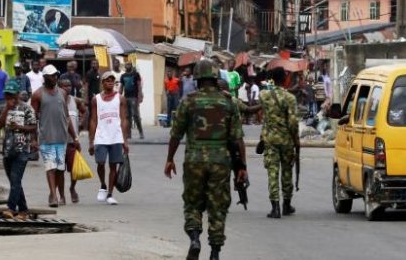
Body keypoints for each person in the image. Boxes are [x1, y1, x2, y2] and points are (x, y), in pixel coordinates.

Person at [164, 60, 247, 260]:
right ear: (215, 77)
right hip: (220, 161)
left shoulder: (188, 101)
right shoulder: (228, 102)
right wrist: (242, 167)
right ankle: (215, 252)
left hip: (194, 160)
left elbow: (176, 134)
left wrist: (169, 159)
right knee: (217, 207)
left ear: (197, 78)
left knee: (192, 204)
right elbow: (237, 139)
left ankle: (194, 238)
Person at [31, 65, 79, 208]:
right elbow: (33, 119)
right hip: (46, 137)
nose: (55, 77)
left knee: (60, 169)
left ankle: (61, 194)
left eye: (56, 75)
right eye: (52, 76)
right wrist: (33, 139)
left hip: (62, 137)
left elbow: (67, 117)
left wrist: (75, 137)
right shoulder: (38, 95)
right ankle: (53, 194)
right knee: (50, 167)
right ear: (45, 77)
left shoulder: (62, 93)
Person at [259, 67, 300, 219]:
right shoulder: (290, 98)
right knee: (287, 172)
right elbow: (293, 122)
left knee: (272, 172)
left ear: (272, 79)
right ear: (285, 79)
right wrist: (296, 140)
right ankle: (286, 205)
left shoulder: (264, 95)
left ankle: (275, 207)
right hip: (286, 140)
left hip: (270, 139)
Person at [0, 79, 38, 221]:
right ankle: (24, 211)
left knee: (15, 179)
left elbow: (33, 127)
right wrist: (7, 109)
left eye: (12, 95)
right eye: (7, 95)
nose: (9, 98)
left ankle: (11, 208)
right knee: (15, 182)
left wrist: (19, 128)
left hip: (22, 150)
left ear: (18, 94)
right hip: (7, 150)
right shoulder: (2, 107)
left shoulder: (27, 108)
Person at [89, 71, 129, 205]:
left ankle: (110, 193)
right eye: (107, 80)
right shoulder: (96, 99)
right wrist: (91, 140)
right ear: (103, 83)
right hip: (101, 136)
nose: (110, 82)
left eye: (112, 80)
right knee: (100, 163)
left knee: (113, 165)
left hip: (116, 137)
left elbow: (123, 120)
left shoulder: (120, 98)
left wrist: (125, 140)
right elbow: (93, 120)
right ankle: (103, 185)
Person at [60, 78, 86, 203]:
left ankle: (72, 188)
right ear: (59, 87)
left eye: (69, 85)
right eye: (64, 86)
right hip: (58, 141)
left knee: (73, 170)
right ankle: (61, 195)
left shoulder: (75, 100)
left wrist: (81, 123)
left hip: (72, 142)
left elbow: (85, 111)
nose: (67, 88)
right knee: (58, 170)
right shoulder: (56, 101)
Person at [120, 62, 144, 139]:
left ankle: (141, 132)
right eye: (126, 65)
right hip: (126, 97)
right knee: (127, 116)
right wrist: (119, 97)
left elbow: (139, 85)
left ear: (131, 66)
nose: (127, 66)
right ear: (125, 66)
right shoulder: (123, 76)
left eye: (129, 65)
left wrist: (140, 96)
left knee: (136, 115)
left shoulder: (136, 74)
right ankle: (128, 134)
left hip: (134, 97)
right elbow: (121, 87)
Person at [83, 60, 101, 128]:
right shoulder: (89, 73)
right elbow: (86, 86)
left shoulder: (98, 73)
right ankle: (90, 127)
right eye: (93, 63)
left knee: (97, 112)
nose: (94, 65)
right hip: (91, 96)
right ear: (91, 65)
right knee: (91, 112)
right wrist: (86, 98)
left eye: (96, 63)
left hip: (97, 96)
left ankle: (96, 126)